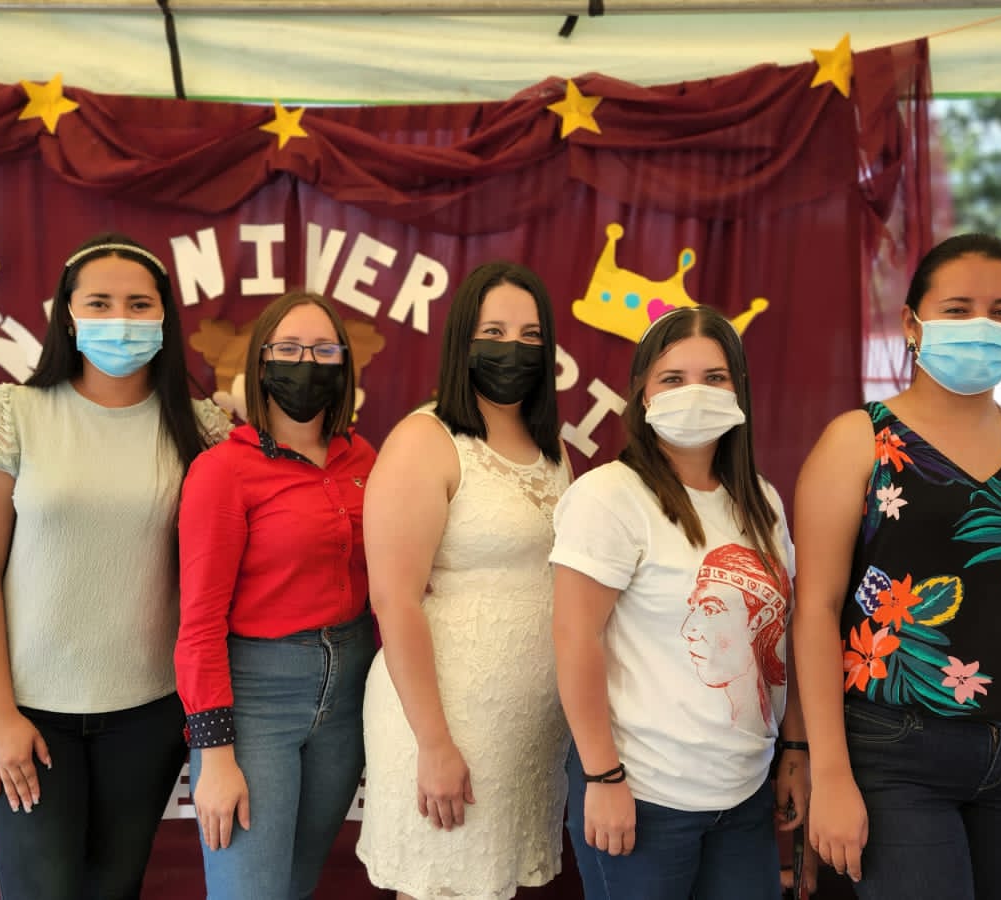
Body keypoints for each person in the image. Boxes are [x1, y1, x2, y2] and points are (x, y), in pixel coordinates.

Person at [791, 233, 1001, 899]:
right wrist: (831, 772)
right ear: (912, 323)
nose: (981, 326)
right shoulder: (858, 441)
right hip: (896, 751)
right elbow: (814, 610)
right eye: (958, 309)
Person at [0, 233, 228, 899]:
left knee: (114, 889)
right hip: (28, 712)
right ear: (68, 316)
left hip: (148, 713)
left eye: (139, 304)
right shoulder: (13, 413)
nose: (120, 319)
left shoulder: (201, 428)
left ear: (164, 317)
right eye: (99, 303)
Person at [551, 306, 804, 900]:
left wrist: (795, 748)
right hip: (643, 795)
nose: (695, 393)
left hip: (744, 794)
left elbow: (782, 639)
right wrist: (602, 776)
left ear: (738, 389)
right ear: (642, 392)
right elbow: (574, 638)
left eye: (714, 377)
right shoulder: (609, 497)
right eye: (673, 378)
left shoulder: (761, 501)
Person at [358, 262, 571, 900]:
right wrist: (434, 743)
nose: (514, 349)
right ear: (462, 340)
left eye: (531, 336)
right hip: (448, 722)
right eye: (495, 332)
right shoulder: (424, 439)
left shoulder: (551, 445)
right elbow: (393, 600)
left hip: (527, 730)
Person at [176, 290, 377, 900]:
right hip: (257, 699)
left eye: (323, 350)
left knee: (295, 884)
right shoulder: (222, 470)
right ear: (260, 364)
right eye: (288, 349)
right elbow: (199, 622)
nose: (306, 363)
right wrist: (214, 754)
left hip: (349, 693)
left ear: (343, 366)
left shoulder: (364, 458)